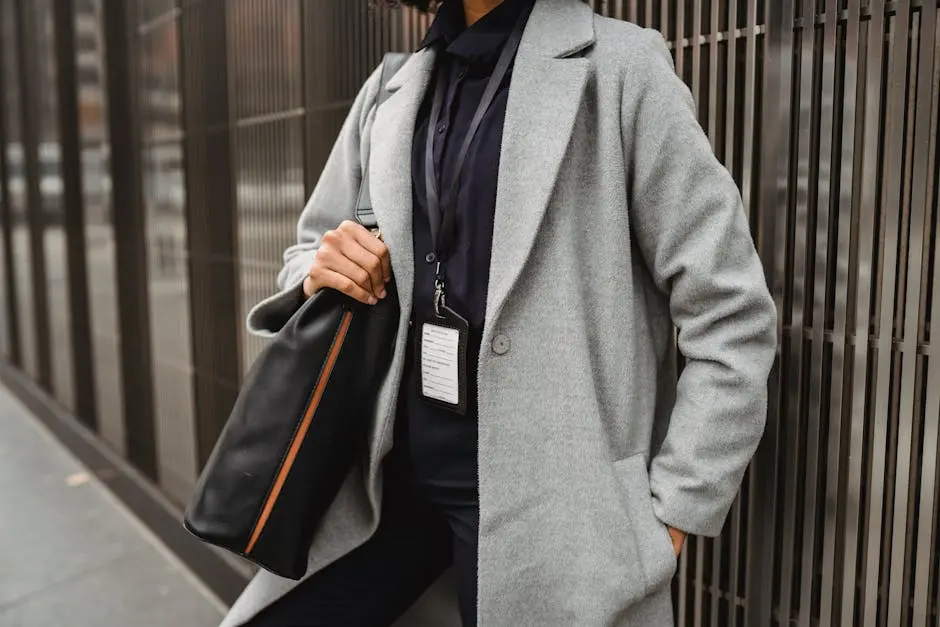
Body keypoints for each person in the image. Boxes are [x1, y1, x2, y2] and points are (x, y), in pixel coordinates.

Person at [223, 0, 778, 625]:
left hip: (553, 511)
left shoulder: (620, 68)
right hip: (385, 483)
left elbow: (732, 312)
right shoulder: (390, 88)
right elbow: (306, 251)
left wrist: (675, 509)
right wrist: (322, 269)